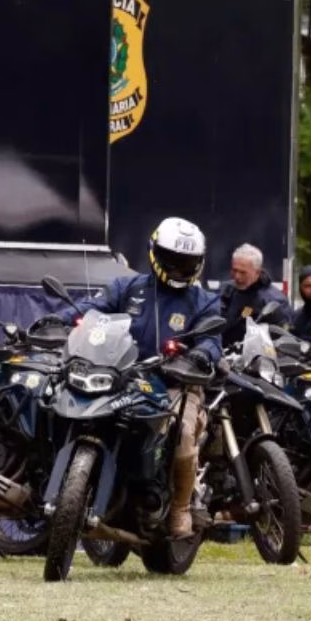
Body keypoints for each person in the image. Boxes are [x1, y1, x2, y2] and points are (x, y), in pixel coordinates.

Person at [33, 216, 220, 538]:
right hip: (121, 378)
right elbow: (91, 308)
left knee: (182, 432)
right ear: (154, 252)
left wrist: (201, 354)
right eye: (172, 259)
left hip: (174, 384)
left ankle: (180, 507)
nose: (179, 268)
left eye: (187, 262)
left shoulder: (204, 301)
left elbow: (212, 339)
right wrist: (58, 319)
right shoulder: (126, 288)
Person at [219, 243, 292, 348]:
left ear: (257, 272)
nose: (237, 276)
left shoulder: (274, 300)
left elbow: (283, 340)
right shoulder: (226, 290)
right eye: (234, 270)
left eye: (243, 273)